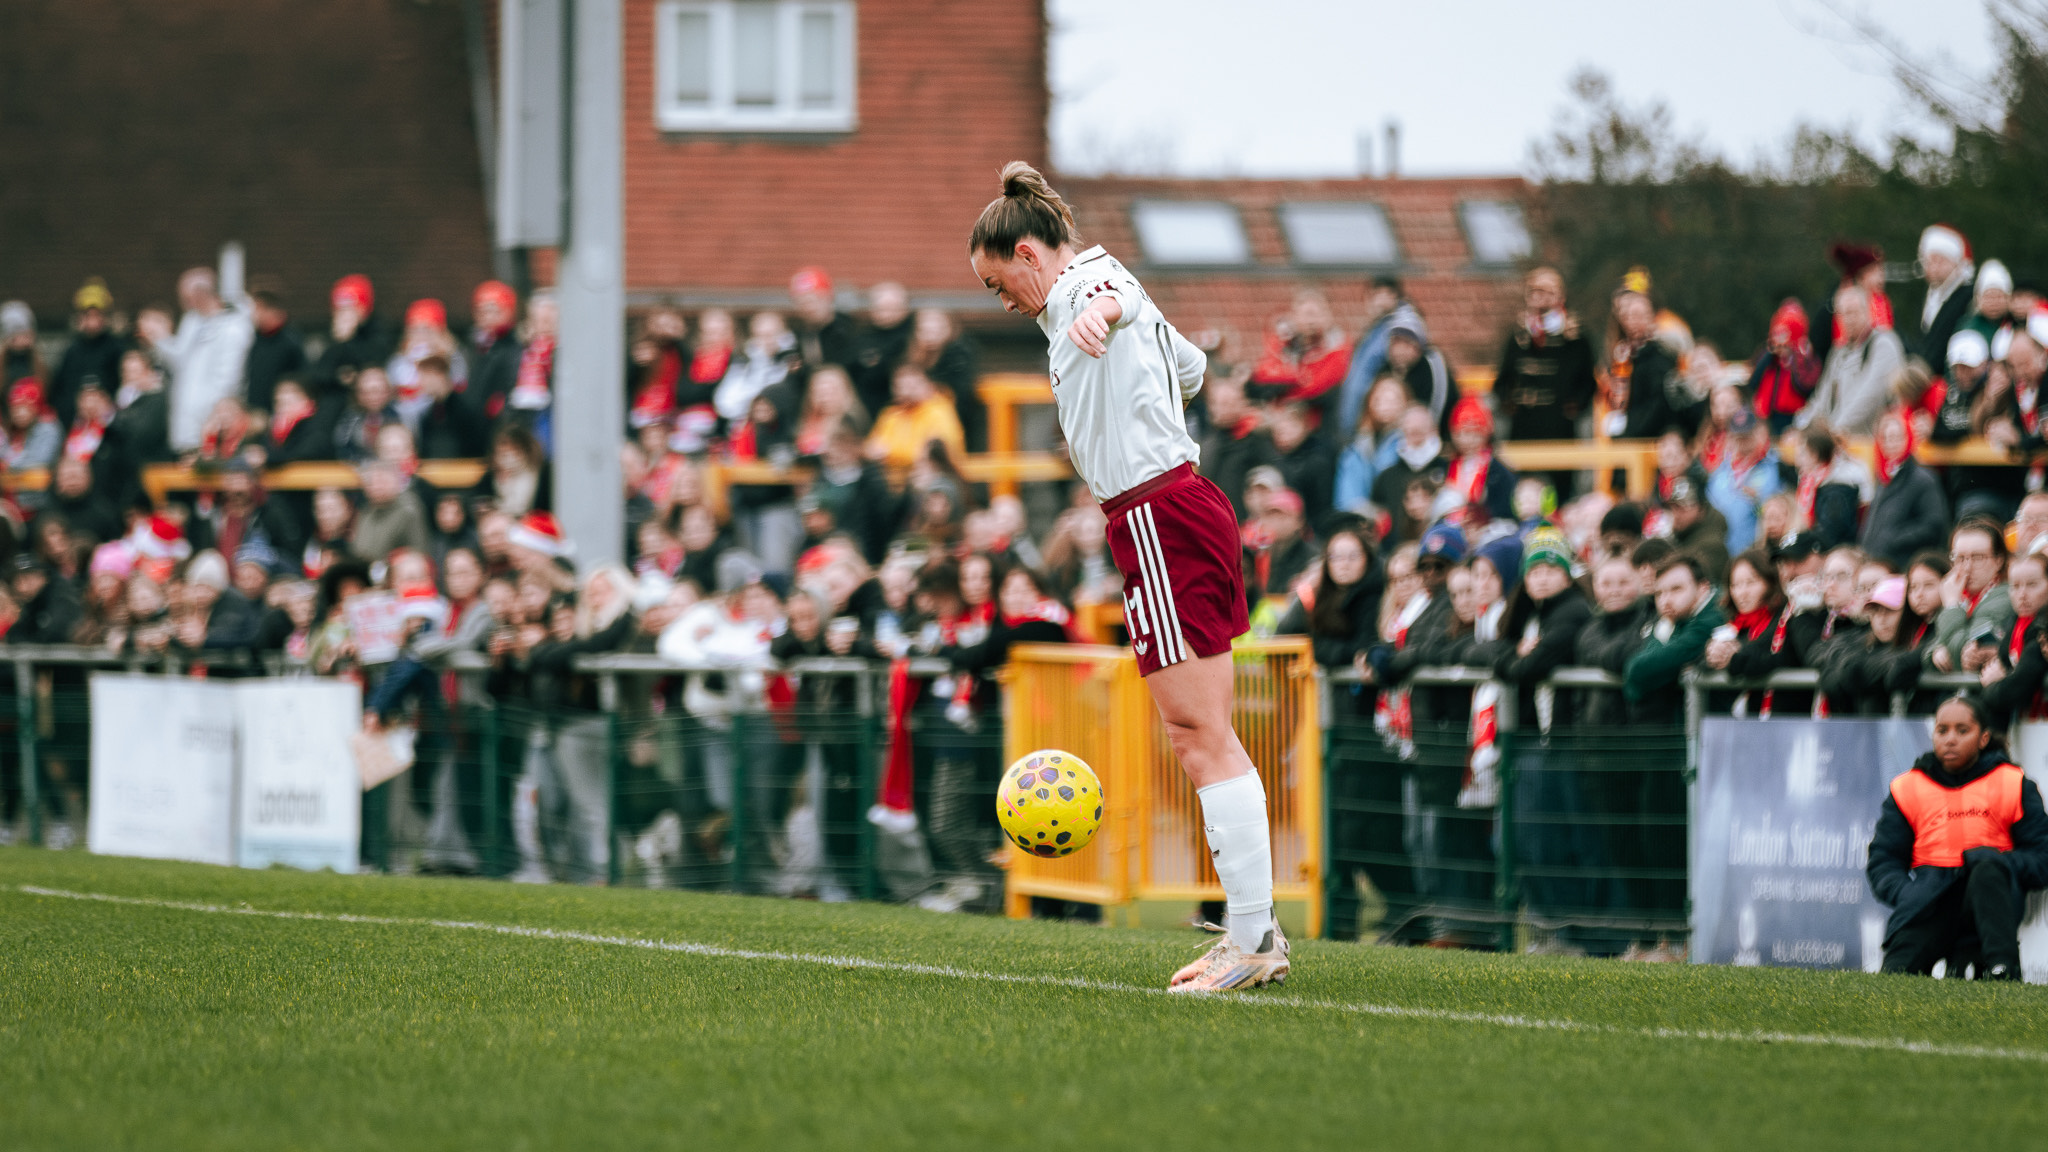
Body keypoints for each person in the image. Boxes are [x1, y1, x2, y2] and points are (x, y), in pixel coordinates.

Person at [970, 162, 1283, 991]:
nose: (1002, 301)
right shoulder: (1088, 287)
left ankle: (1253, 938)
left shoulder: (1084, 287)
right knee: (1202, 732)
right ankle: (1254, 930)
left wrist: (1101, 317)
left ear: (1029, 254)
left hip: (1159, 515)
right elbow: (1191, 367)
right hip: (1171, 509)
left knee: (1197, 734)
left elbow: (1111, 300)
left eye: (998, 283)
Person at [1866, 693, 2047, 979]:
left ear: (1984, 738)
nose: (1950, 739)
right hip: (1929, 903)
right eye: (1942, 730)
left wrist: (1996, 861)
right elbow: (1883, 860)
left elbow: (2042, 858)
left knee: (1986, 869)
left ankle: (2002, 969)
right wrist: (1906, 893)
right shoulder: (1907, 788)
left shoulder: (2013, 783)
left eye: (1962, 731)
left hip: (1989, 906)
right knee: (1892, 981)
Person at [140, 267, 255, 454]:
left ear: (201, 294)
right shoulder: (192, 321)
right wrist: (159, 339)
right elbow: (180, 361)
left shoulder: (234, 326)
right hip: (185, 413)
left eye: (187, 298)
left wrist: (218, 414)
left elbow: (230, 376)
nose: (185, 304)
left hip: (214, 418)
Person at [1494, 267, 1597, 451]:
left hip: (1561, 428)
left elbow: (1588, 382)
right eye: (1534, 291)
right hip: (1523, 428)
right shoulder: (1518, 335)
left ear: (1561, 296)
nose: (1540, 297)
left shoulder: (1575, 337)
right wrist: (1508, 402)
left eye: (1548, 291)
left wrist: (1576, 405)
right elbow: (1503, 380)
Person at [1800, 286, 1905, 437]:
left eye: (1853, 312)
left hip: (1870, 440)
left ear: (1868, 311)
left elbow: (1869, 395)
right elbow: (1821, 397)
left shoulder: (1884, 343)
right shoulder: (1838, 352)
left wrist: (1834, 430)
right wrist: (1801, 426)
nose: (1848, 319)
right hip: (1837, 439)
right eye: (1843, 314)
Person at [1860, 408, 1949, 569]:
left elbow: (1934, 525)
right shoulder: (1884, 477)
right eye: (1885, 438)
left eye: (1896, 437)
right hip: (1876, 562)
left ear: (1908, 438)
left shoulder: (1923, 479)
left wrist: (1894, 539)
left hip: (1903, 564)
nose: (1890, 444)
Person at [1927, 516, 2015, 675]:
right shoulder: (1961, 597)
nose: (1967, 567)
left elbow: (1963, 651)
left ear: (1999, 560)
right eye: (1960, 558)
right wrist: (1934, 654)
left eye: (1977, 557)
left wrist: (1951, 605)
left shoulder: (2006, 597)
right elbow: (1927, 653)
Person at [50, 278, 125, 429]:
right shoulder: (72, 351)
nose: (92, 322)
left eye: (97, 315)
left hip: (109, 425)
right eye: (88, 316)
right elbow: (60, 389)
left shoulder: (117, 349)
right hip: (75, 425)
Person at [865, 363, 965, 469]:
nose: (906, 392)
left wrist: (890, 453)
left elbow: (934, 454)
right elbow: (871, 449)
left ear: (928, 385)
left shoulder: (939, 410)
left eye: (912, 386)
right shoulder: (890, 415)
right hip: (894, 476)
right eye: (900, 387)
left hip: (935, 475)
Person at [1749, 299, 1821, 435]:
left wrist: (1795, 355)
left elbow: (1806, 385)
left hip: (1792, 417)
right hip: (1766, 415)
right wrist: (1770, 354)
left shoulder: (1805, 356)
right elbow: (1753, 382)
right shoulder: (1768, 356)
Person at [1915, 225, 1976, 378]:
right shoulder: (1931, 297)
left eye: (1940, 261)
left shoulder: (1967, 295)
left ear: (1955, 263)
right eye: (1929, 261)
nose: (1934, 267)